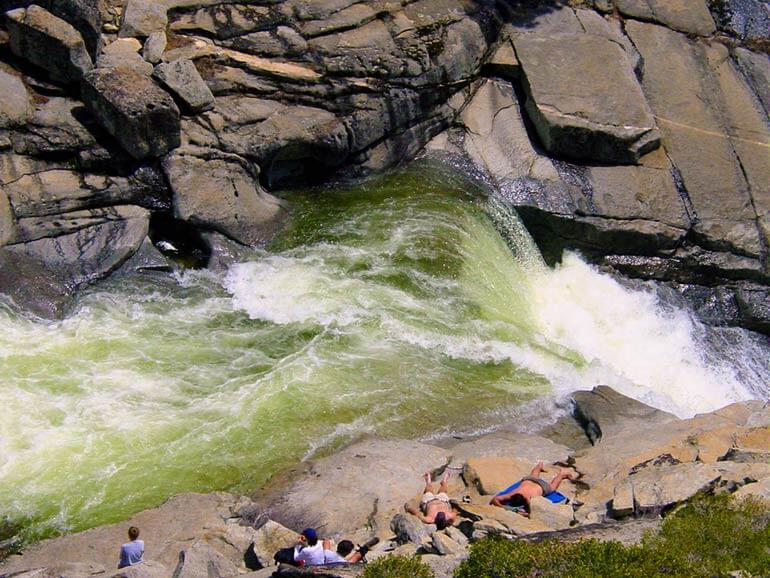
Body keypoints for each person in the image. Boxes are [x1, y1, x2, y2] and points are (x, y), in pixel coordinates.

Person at [489, 461, 576, 517]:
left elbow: (529, 513)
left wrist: (510, 509)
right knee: (534, 475)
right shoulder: (514, 495)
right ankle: (539, 466)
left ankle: (561, 474)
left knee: (552, 487)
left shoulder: (523, 498)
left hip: (541, 486)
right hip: (530, 481)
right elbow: (494, 500)